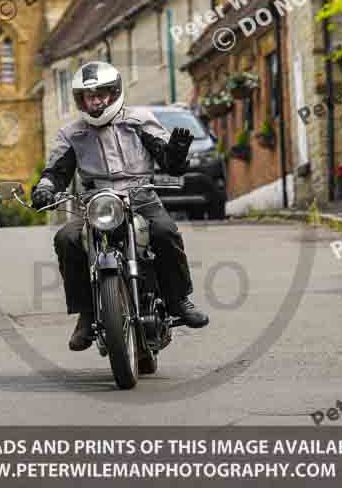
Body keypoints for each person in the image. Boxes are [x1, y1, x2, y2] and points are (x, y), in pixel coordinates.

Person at [32, 61, 209, 352]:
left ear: (115, 93)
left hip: (141, 197)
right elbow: (56, 170)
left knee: (165, 231)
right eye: (90, 96)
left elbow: (167, 160)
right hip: (96, 204)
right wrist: (45, 189)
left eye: (103, 94)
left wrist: (176, 153)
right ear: (81, 100)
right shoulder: (71, 133)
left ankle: (178, 301)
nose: (97, 101)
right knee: (66, 239)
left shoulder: (139, 119)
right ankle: (87, 314)